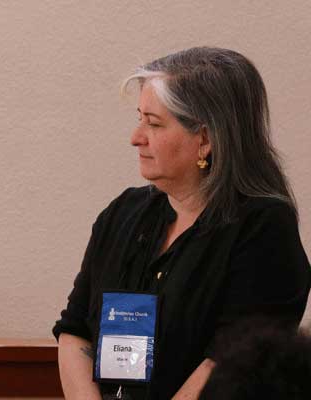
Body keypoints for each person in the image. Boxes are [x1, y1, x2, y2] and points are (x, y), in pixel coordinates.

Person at [52, 47, 311, 400]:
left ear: (204, 139)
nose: (136, 137)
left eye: (154, 123)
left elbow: (225, 362)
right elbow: (74, 330)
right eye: (139, 118)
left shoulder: (262, 228)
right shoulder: (123, 213)